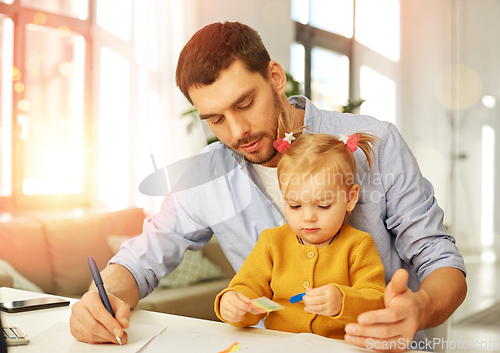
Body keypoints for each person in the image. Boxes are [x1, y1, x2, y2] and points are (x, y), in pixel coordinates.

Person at [69, 21, 467, 352]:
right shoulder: (206, 176)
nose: (238, 131)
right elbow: (140, 260)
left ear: (275, 77)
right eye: (216, 119)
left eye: (244, 104)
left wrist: (422, 306)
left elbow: (439, 257)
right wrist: (100, 300)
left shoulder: (375, 143)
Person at [216, 129, 386, 339]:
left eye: (323, 206)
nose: (308, 218)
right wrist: (233, 304)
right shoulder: (272, 242)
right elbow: (247, 287)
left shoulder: (358, 245)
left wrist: (343, 301)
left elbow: (377, 301)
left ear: (350, 198)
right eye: (295, 205)